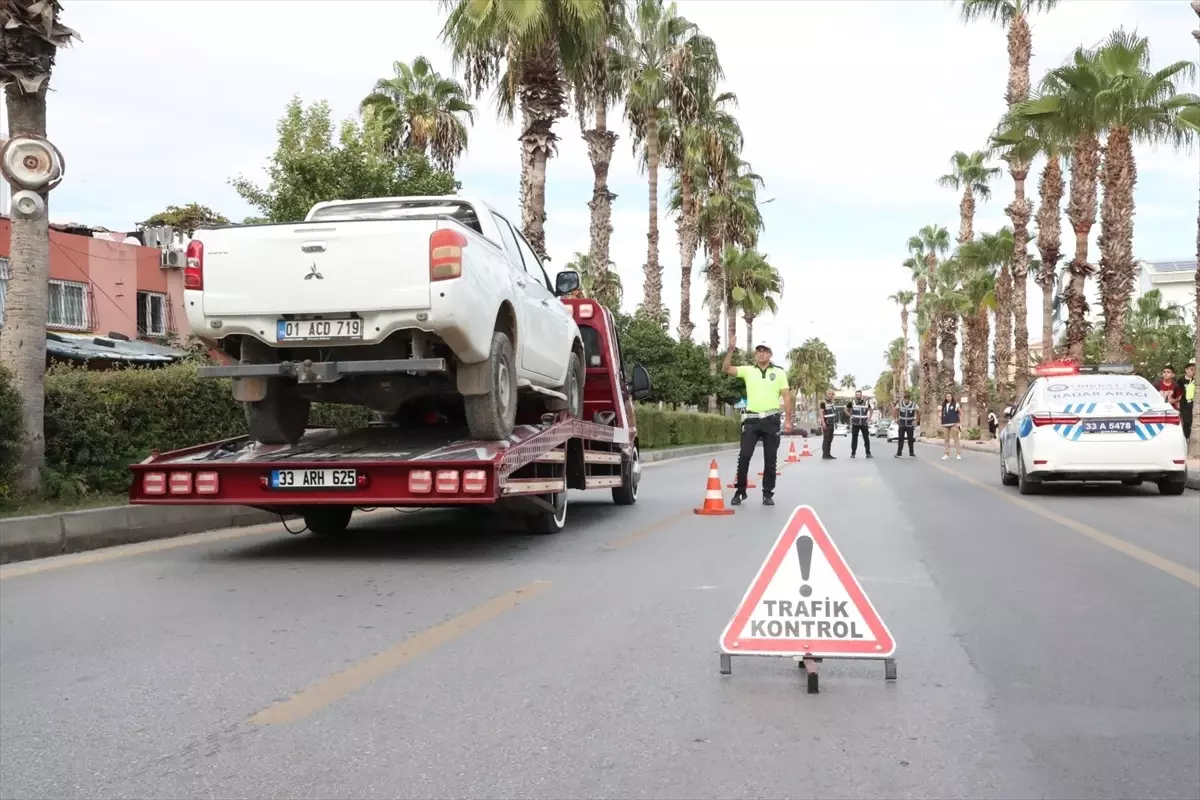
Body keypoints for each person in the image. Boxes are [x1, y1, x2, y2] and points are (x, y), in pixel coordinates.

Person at [723, 342, 793, 506]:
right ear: (755, 355)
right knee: (744, 456)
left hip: (771, 419)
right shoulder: (748, 371)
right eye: (758, 351)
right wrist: (730, 351)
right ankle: (740, 491)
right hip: (752, 420)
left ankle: (767, 493)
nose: (761, 354)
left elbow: (786, 397)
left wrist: (788, 420)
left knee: (770, 458)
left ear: (770, 354)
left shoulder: (779, 373)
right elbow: (726, 369)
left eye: (765, 351)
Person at [848, 389, 872, 458]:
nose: (858, 396)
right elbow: (846, 409)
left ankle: (868, 453)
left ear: (861, 395)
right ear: (855, 395)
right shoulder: (852, 402)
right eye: (857, 394)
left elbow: (871, 410)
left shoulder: (866, 402)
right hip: (855, 424)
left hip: (864, 424)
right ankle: (853, 453)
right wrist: (850, 416)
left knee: (866, 439)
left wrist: (869, 419)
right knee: (854, 439)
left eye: (859, 394)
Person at [894, 391, 919, 458]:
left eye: (907, 400)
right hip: (902, 425)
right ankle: (899, 453)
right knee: (900, 439)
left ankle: (911, 453)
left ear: (909, 399)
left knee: (910, 439)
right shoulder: (900, 404)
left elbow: (918, 411)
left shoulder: (914, 404)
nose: (906, 401)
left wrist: (916, 420)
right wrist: (895, 418)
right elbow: (895, 410)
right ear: (903, 399)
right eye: (905, 400)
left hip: (910, 425)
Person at [940, 391, 962, 460]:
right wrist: (941, 423)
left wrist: (959, 422)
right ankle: (946, 454)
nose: (948, 398)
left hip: (954, 424)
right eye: (947, 397)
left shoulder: (955, 404)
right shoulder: (944, 405)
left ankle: (958, 454)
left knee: (956, 439)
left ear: (952, 397)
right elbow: (942, 415)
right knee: (946, 439)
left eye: (949, 396)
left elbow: (961, 412)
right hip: (945, 424)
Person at [818, 388, 838, 460]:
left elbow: (833, 414)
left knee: (830, 439)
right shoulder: (823, 402)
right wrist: (823, 423)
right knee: (826, 439)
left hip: (831, 423)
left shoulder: (832, 403)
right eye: (829, 394)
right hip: (826, 423)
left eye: (832, 394)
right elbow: (821, 413)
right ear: (827, 394)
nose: (831, 395)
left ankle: (828, 454)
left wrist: (835, 423)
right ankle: (825, 454)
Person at [1181, 362, 1196, 441]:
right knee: (1186, 422)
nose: (1193, 371)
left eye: (1194, 370)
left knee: (1193, 422)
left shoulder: (1195, 380)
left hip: (1194, 404)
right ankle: (1186, 438)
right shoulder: (1181, 380)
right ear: (1186, 370)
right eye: (1191, 369)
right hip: (1184, 405)